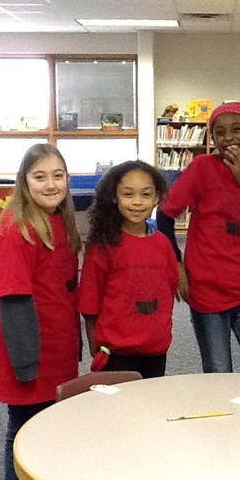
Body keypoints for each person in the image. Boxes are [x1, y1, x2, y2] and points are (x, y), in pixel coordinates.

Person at [157, 102, 240, 374]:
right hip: (206, 291)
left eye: (237, 129)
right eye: (219, 133)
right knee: (218, 373)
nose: (228, 137)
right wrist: (177, 264)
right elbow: (164, 215)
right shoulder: (201, 167)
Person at [0, 143, 82, 480]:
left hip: (56, 345)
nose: (50, 185)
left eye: (57, 176)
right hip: (27, 349)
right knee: (24, 430)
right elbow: (13, 302)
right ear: (24, 181)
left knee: (51, 425)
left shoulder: (60, 219)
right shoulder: (16, 228)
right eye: (39, 177)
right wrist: (26, 365)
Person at [78, 160, 178, 378]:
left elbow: (167, 292)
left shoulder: (162, 244)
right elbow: (90, 305)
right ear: (114, 197)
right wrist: (95, 349)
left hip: (155, 350)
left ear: (157, 198)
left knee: (149, 407)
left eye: (145, 195)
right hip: (115, 352)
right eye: (128, 194)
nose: (137, 203)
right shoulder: (103, 246)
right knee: (119, 410)